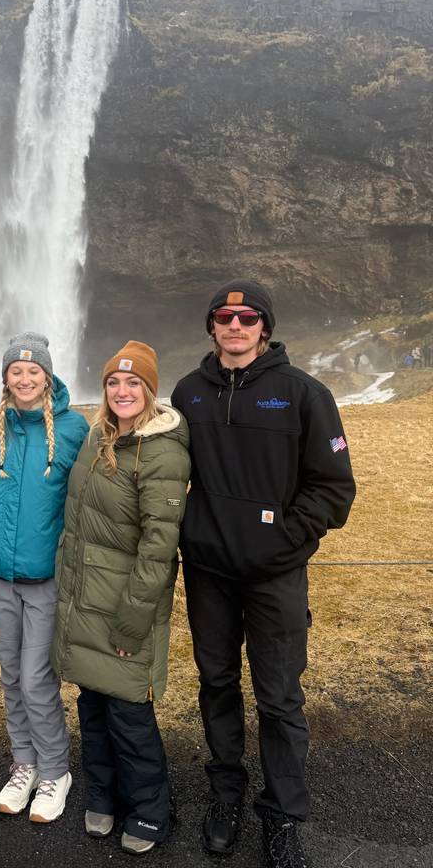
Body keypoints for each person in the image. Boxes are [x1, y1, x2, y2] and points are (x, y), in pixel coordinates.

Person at [171, 280, 356, 868]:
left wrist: (285, 538)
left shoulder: (304, 393)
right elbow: (163, 471)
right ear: (211, 326)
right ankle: (226, 796)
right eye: (224, 316)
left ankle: (283, 817)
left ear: (264, 327)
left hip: (275, 576)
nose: (235, 324)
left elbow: (333, 487)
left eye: (247, 317)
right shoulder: (188, 393)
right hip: (207, 574)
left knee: (279, 700)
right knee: (217, 686)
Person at [51, 341, 190, 855]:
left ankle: (151, 811)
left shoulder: (162, 449)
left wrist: (134, 617)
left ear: (151, 391)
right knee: (92, 706)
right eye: (114, 382)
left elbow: (160, 543)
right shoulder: (96, 436)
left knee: (131, 714)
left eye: (135, 383)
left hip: (125, 605)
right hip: (84, 601)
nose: (123, 391)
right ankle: (104, 797)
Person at [0, 332, 89, 823]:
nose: (25, 378)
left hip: (44, 578)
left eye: (34, 371)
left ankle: (55, 771)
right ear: (6, 378)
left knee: (36, 678)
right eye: (16, 371)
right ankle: (24, 762)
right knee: (9, 675)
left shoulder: (73, 428)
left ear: (48, 375)